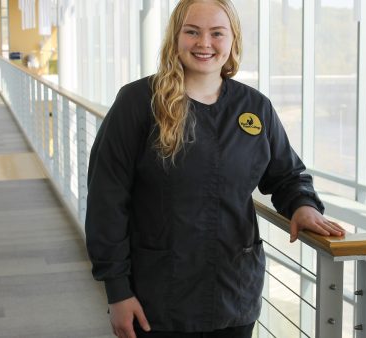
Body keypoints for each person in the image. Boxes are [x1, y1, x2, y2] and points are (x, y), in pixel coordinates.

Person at [85, 1, 346, 337]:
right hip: (157, 298)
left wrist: (303, 206)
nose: (204, 43)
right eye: (192, 31)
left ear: (232, 40)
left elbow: (287, 175)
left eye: (216, 33)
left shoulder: (254, 108)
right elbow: (107, 198)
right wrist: (117, 289)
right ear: (175, 38)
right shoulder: (138, 103)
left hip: (233, 296)